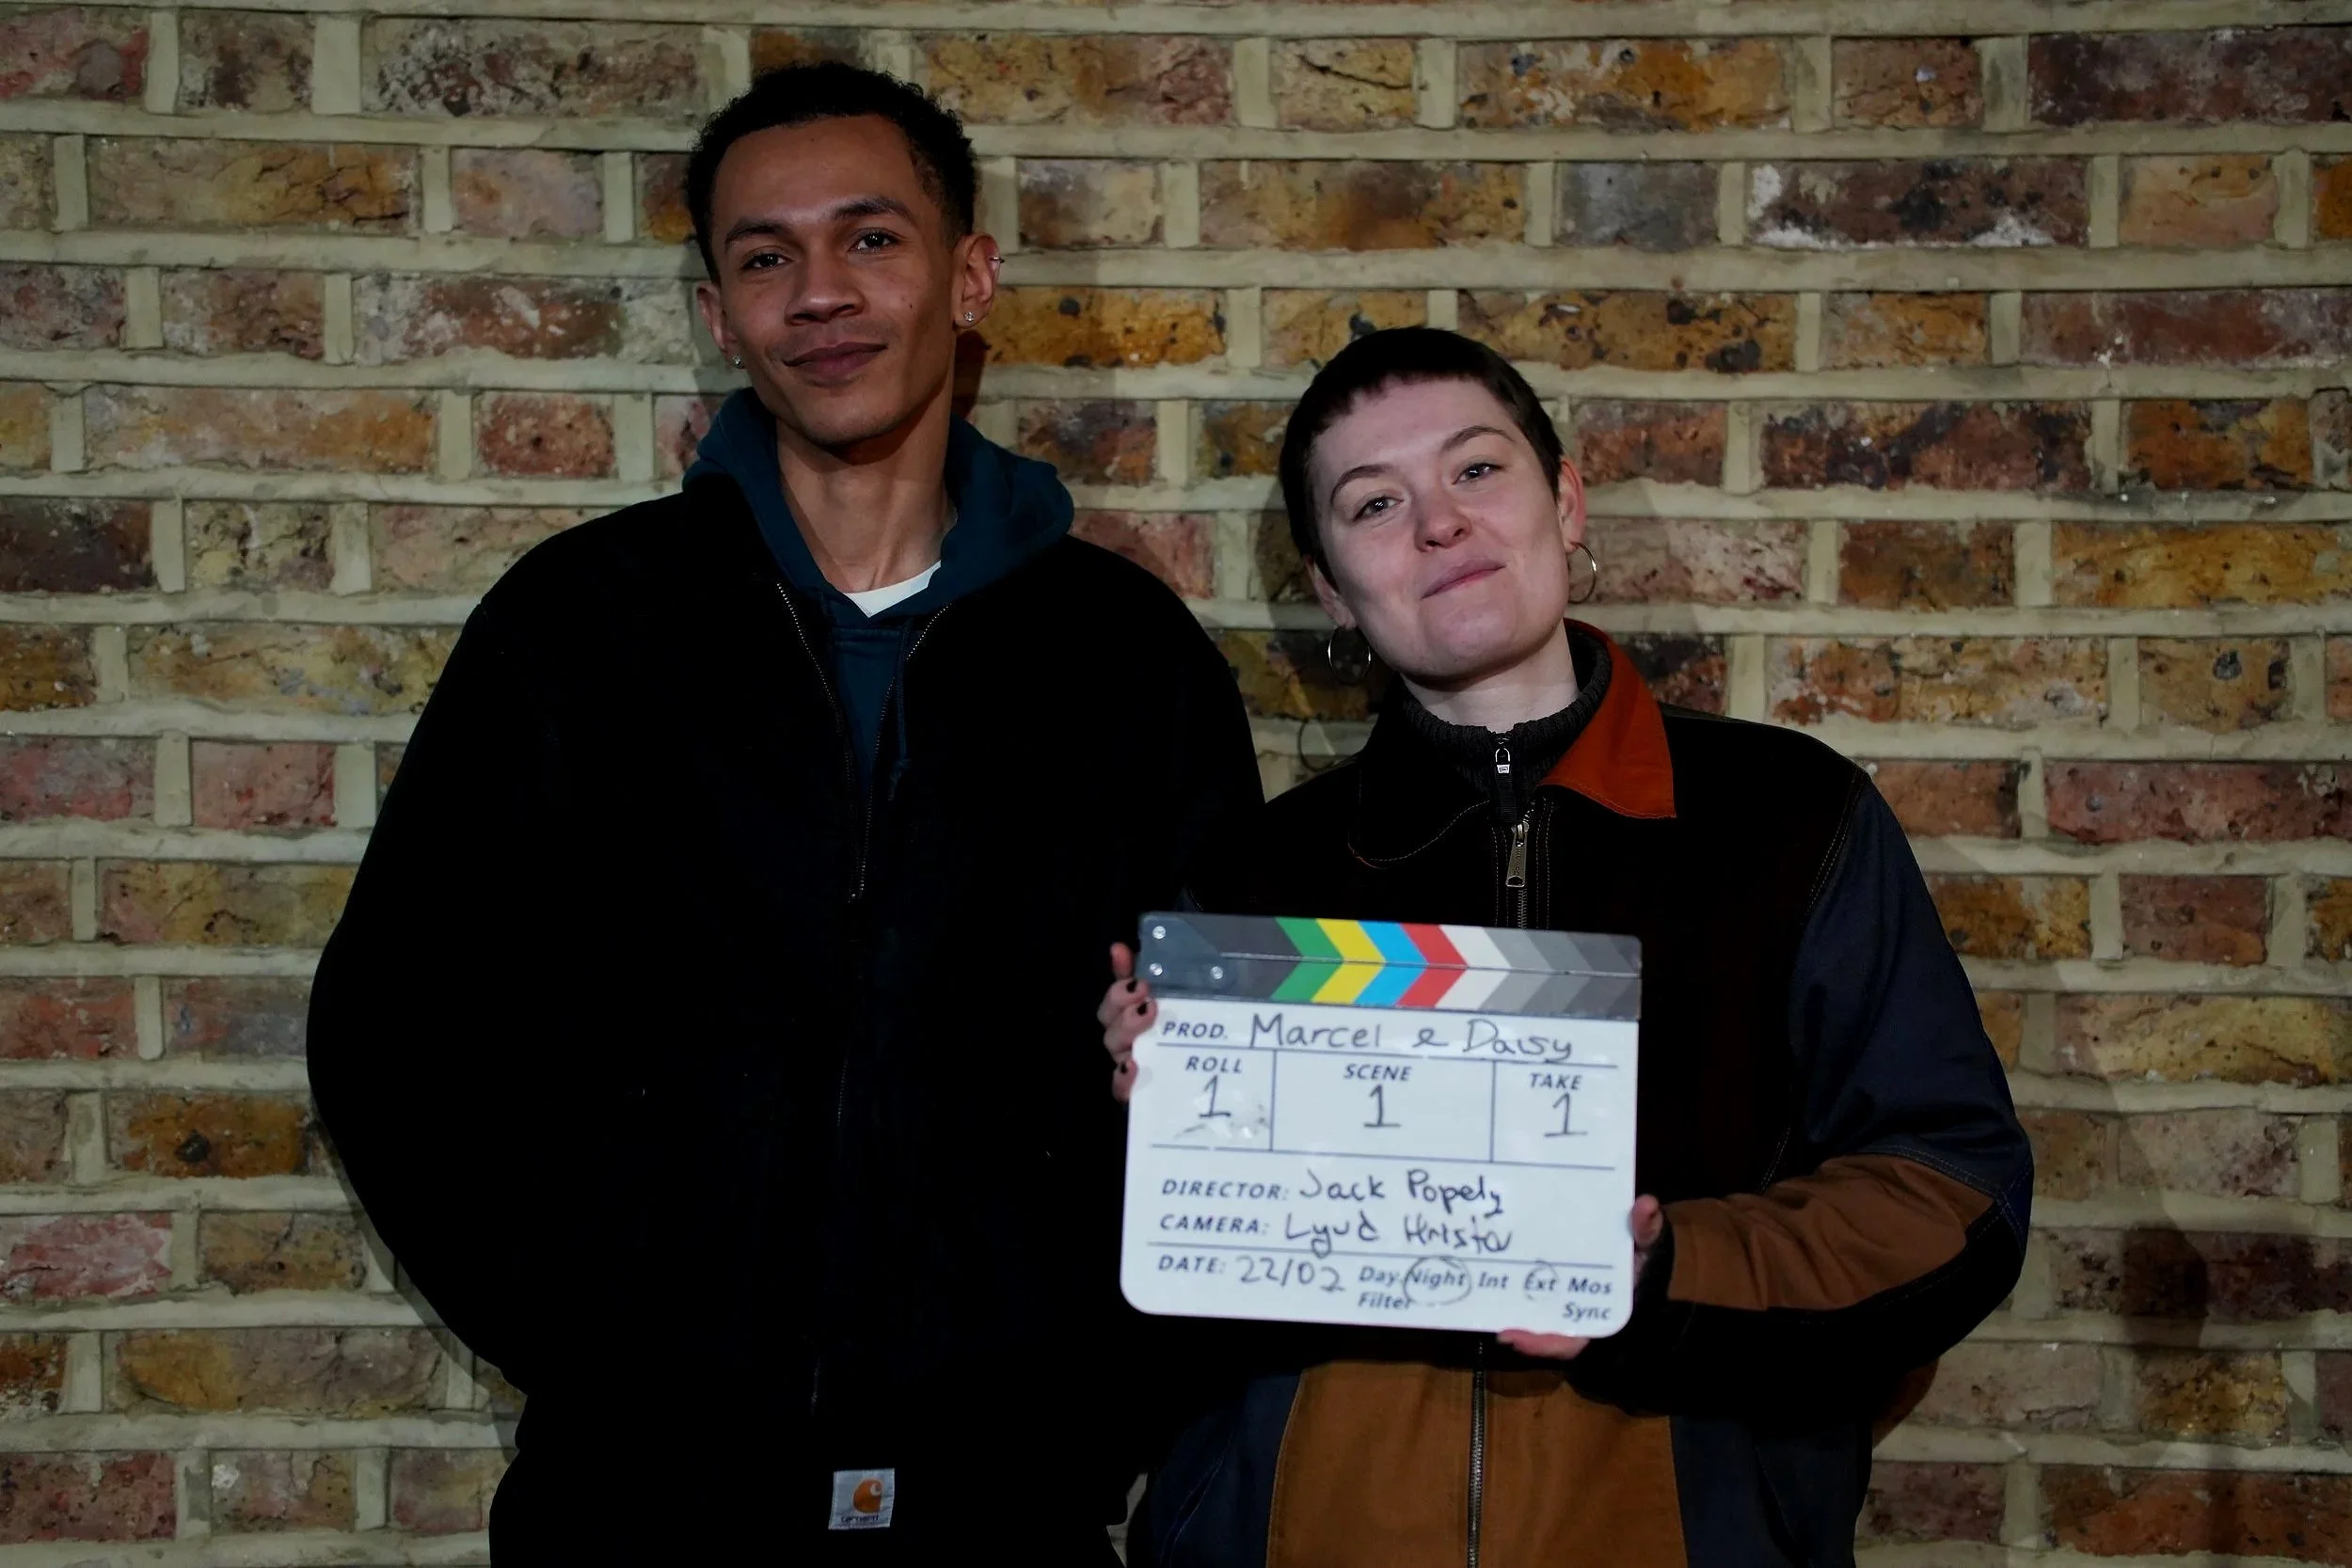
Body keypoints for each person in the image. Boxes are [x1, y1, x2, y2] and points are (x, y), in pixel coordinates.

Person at [308, 63, 1259, 1562]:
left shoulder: (1128, 663)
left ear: (971, 276)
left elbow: (1232, 1083)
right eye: (766, 257)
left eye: (871, 239)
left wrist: (1092, 1400)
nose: (821, 292)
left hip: (1006, 1504)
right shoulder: (578, 633)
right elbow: (395, 1028)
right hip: (639, 1502)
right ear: (717, 314)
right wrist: (600, 1343)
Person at [1100, 327, 2030, 1567]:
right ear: (1330, 586)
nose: (1437, 523)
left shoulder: (1792, 819)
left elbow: (1947, 1192)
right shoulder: (1257, 875)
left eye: (1477, 470)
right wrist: (1155, 1110)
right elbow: (1155, 1282)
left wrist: (1666, 1274)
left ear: (1568, 499)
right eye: (1374, 502)